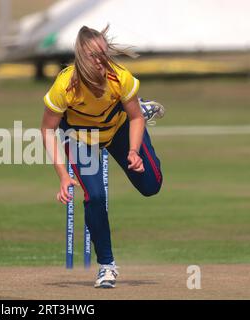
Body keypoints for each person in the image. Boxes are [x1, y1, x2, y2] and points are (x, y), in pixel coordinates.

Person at [41, 26, 164, 288]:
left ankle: (135, 101)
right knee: (95, 196)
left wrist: (133, 151)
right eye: (93, 56)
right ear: (80, 56)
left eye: (103, 54)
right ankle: (106, 265)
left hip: (119, 128)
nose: (100, 62)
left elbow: (135, 119)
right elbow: (47, 129)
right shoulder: (65, 85)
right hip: (80, 137)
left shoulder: (120, 77)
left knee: (151, 186)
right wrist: (63, 176)